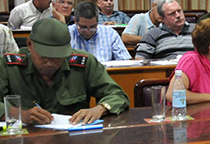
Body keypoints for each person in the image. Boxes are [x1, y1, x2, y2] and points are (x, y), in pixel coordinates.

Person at [0, 18, 129, 124]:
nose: (50, 63)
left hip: (72, 140)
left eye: (57, 58)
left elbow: (117, 95)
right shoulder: (9, 66)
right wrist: (18, 115)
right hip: (22, 141)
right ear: (29, 45)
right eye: (43, 57)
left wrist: (100, 109)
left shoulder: (84, 63)